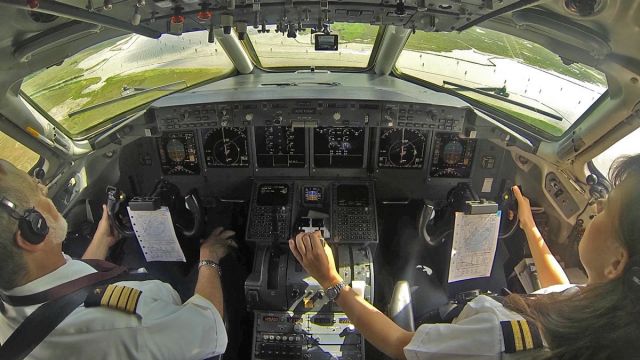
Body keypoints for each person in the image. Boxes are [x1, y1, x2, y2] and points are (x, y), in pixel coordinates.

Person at [289, 154, 640, 359]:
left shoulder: (498, 338)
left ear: (616, 263)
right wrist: (531, 229)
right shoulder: (603, 313)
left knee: (409, 247)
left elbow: (399, 345)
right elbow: (559, 290)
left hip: (451, 323)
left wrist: (331, 280)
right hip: (497, 303)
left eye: (606, 210)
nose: (596, 207)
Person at [0, 159, 236, 359]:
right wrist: (209, 257)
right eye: (36, 189)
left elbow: (65, 294)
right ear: (34, 229)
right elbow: (209, 327)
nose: (45, 189)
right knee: (227, 258)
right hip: (175, 322)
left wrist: (102, 240)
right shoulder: (126, 325)